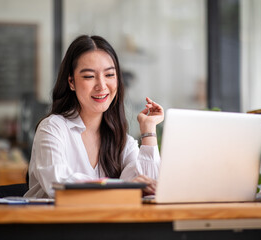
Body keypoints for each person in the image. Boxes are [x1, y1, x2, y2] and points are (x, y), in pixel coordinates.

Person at [24, 35, 164, 198]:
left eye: (109, 75)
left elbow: (150, 189)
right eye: (89, 76)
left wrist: (148, 130)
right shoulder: (52, 128)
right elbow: (58, 184)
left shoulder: (122, 141)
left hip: (103, 222)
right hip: (55, 222)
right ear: (71, 82)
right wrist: (122, 187)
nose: (102, 86)